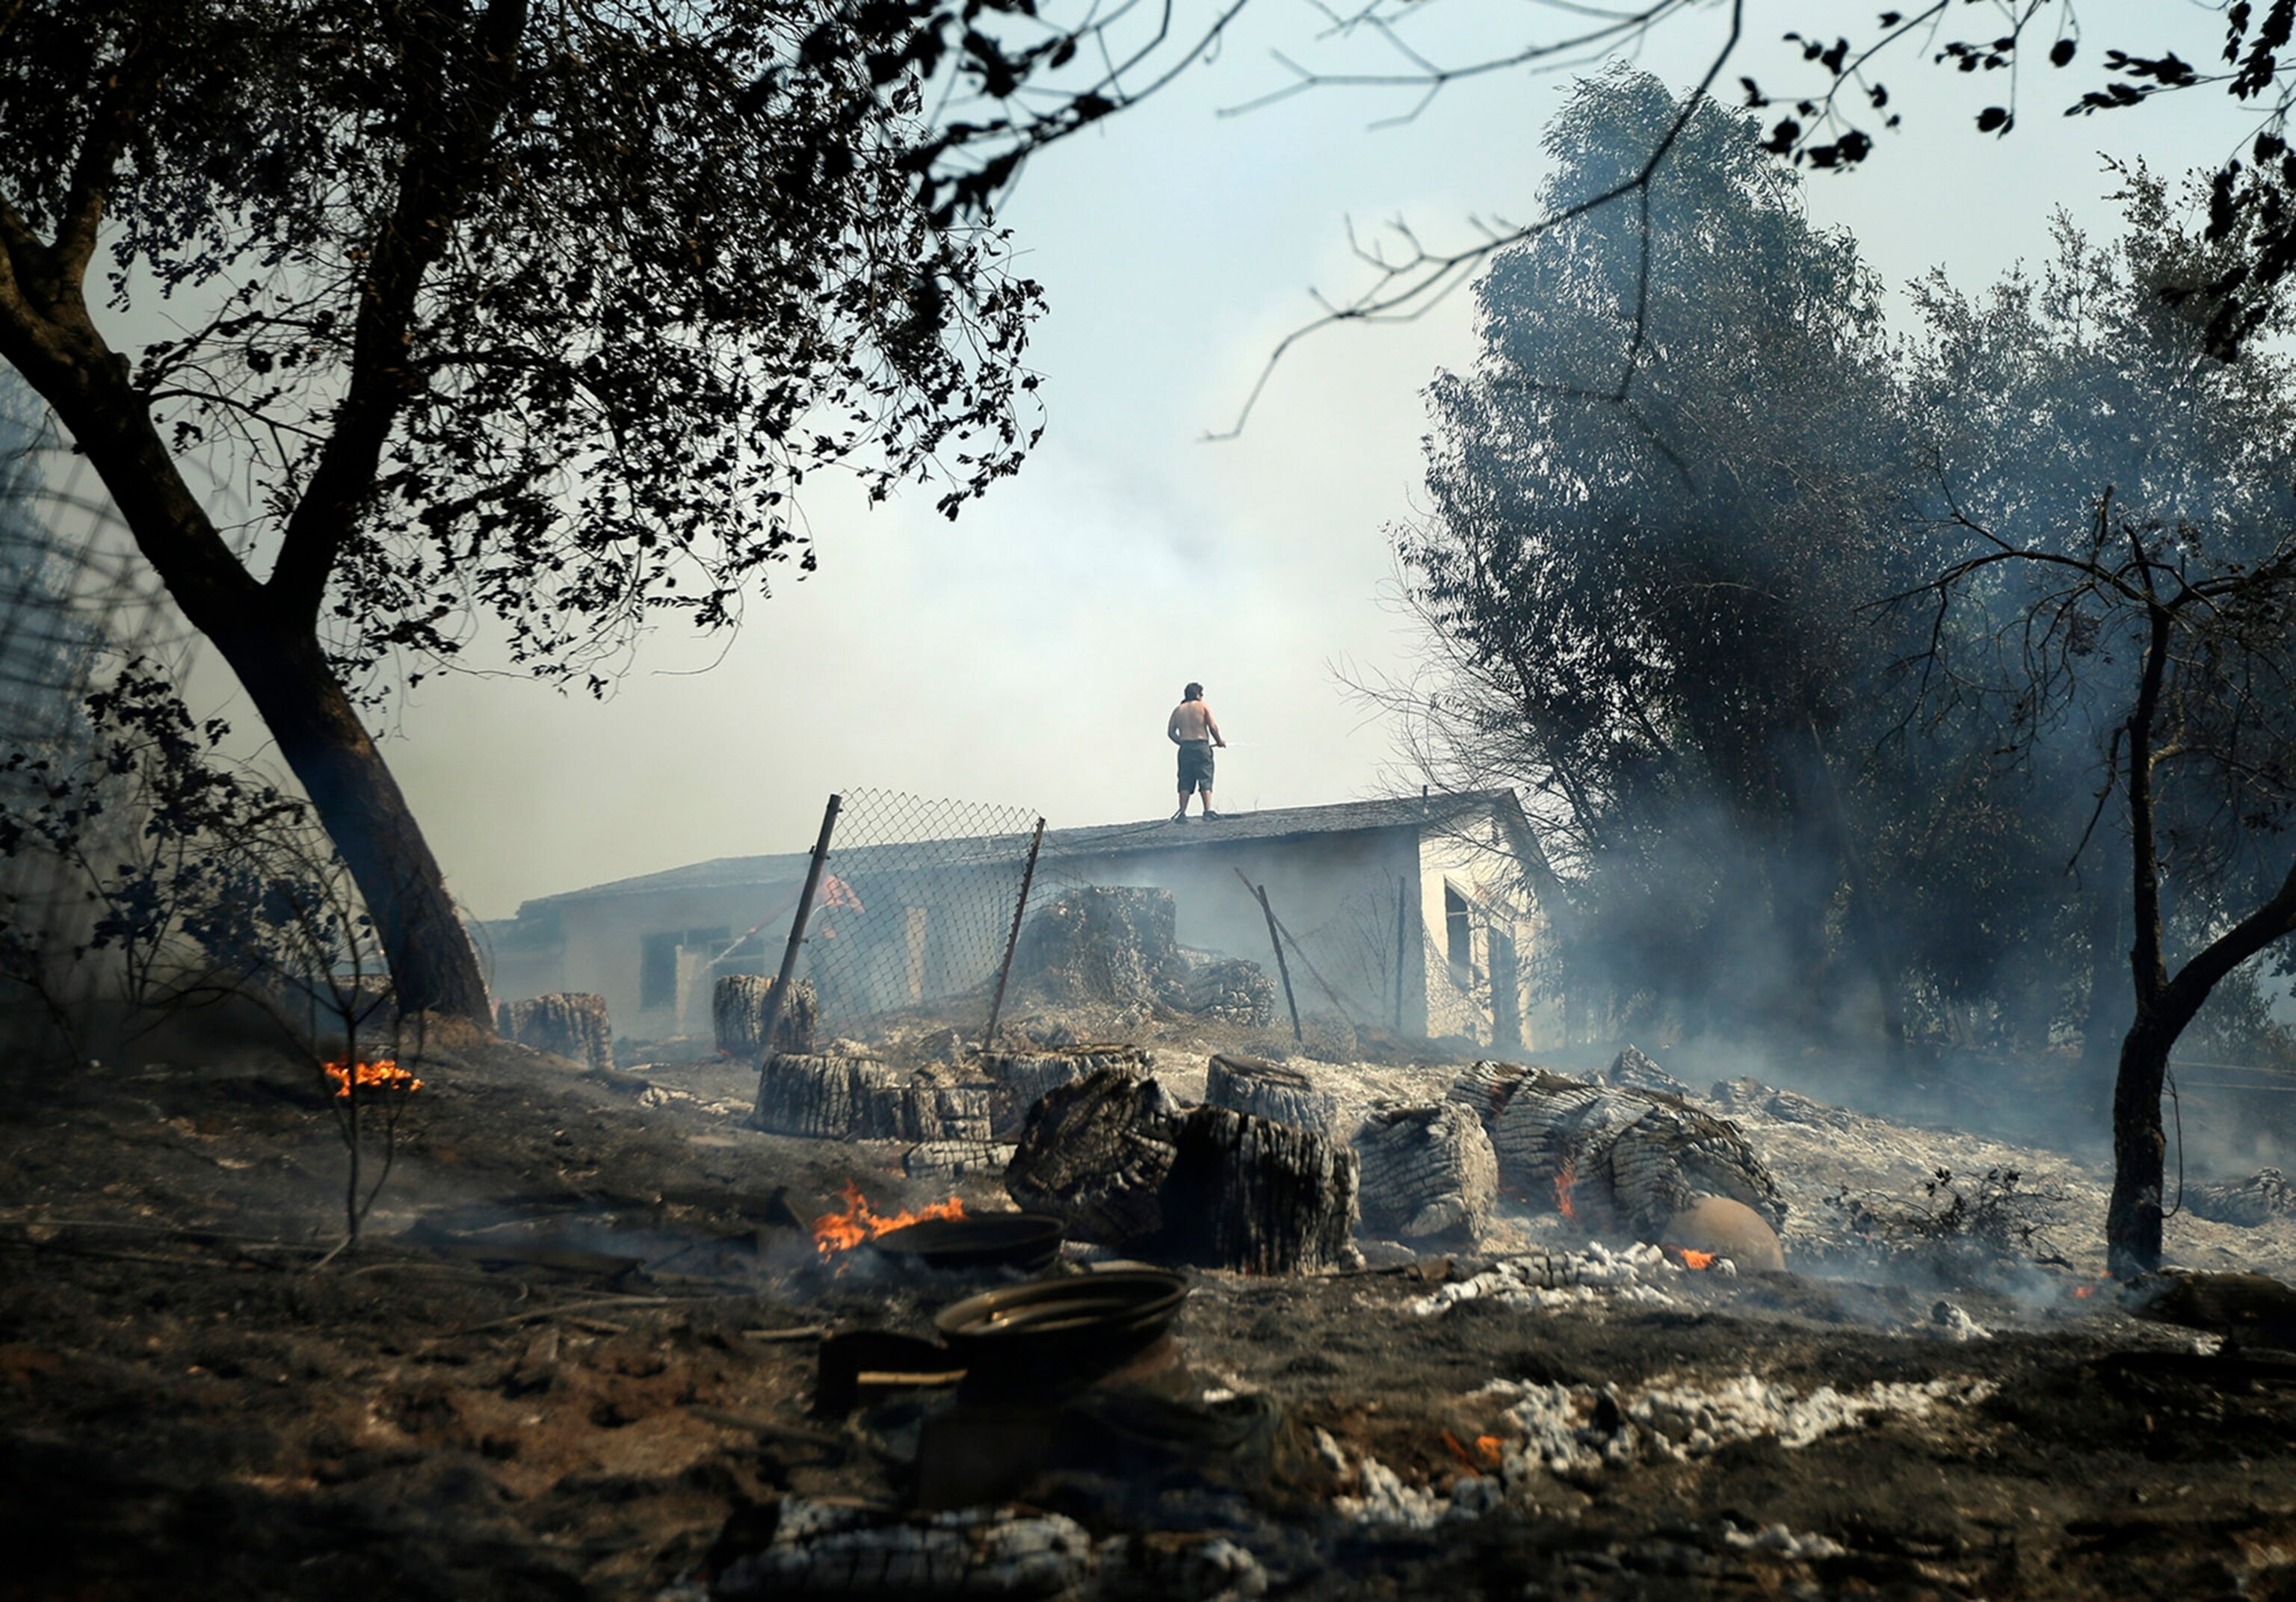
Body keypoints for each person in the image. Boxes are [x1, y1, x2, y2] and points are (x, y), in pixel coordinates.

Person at [1167, 681, 1226, 820]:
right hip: (1201, 746)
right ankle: (1207, 811)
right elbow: (1212, 726)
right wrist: (1219, 741)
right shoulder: (1203, 706)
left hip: (1185, 748)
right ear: (1198, 695)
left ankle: (1182, 813)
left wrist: (1182, 743)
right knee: (1205, 777)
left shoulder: (1178, 710)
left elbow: (1171, 732)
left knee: (1185, 779)